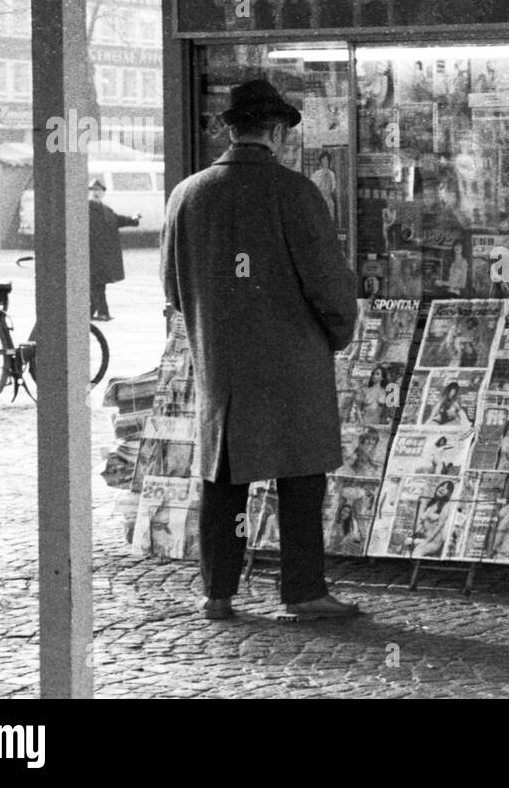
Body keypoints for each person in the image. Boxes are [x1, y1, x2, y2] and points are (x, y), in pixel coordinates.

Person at [161, 78, 360, 621]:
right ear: (276, 132)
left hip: (220, 365)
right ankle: (303, 592)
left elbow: (173, 289)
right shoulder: (295, 193)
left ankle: (217, 591)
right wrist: (338, 333)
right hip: (292, 364)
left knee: (223, 481)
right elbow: (328, 285)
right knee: (300, 480)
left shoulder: (187, 194)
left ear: (231, 129)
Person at [88, 178, 140, 321]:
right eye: (92, 191)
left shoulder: (106, 210)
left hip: (103, 255)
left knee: (98, 284)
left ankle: (89, 314)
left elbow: (119, 220)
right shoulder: (84, 210)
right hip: (91, 255)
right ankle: (103, 313)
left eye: (98, 191)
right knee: (97, 284)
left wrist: (134, 219)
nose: (95, 193)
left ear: (103, 193)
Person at [408, 479, 455, 557]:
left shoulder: (446, 506)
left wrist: (425, 542)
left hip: (434, 541)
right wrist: (412, 534)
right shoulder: (432, 503)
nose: (442, 489)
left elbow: (439, 527)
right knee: (405, 547)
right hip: (423, 537)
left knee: (417, 552)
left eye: (446, 488)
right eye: (442, 486)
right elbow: (422, 523)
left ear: (449, 493)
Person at [309, 150, 338, 224]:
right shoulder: (316, 174)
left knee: (331, 221)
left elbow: (333, 187)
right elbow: (312, 188)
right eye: (324, 160)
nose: (326, 162)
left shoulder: (332, 174)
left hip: (329, 201)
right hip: (319, 201)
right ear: (320, 161)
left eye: (327, 160)